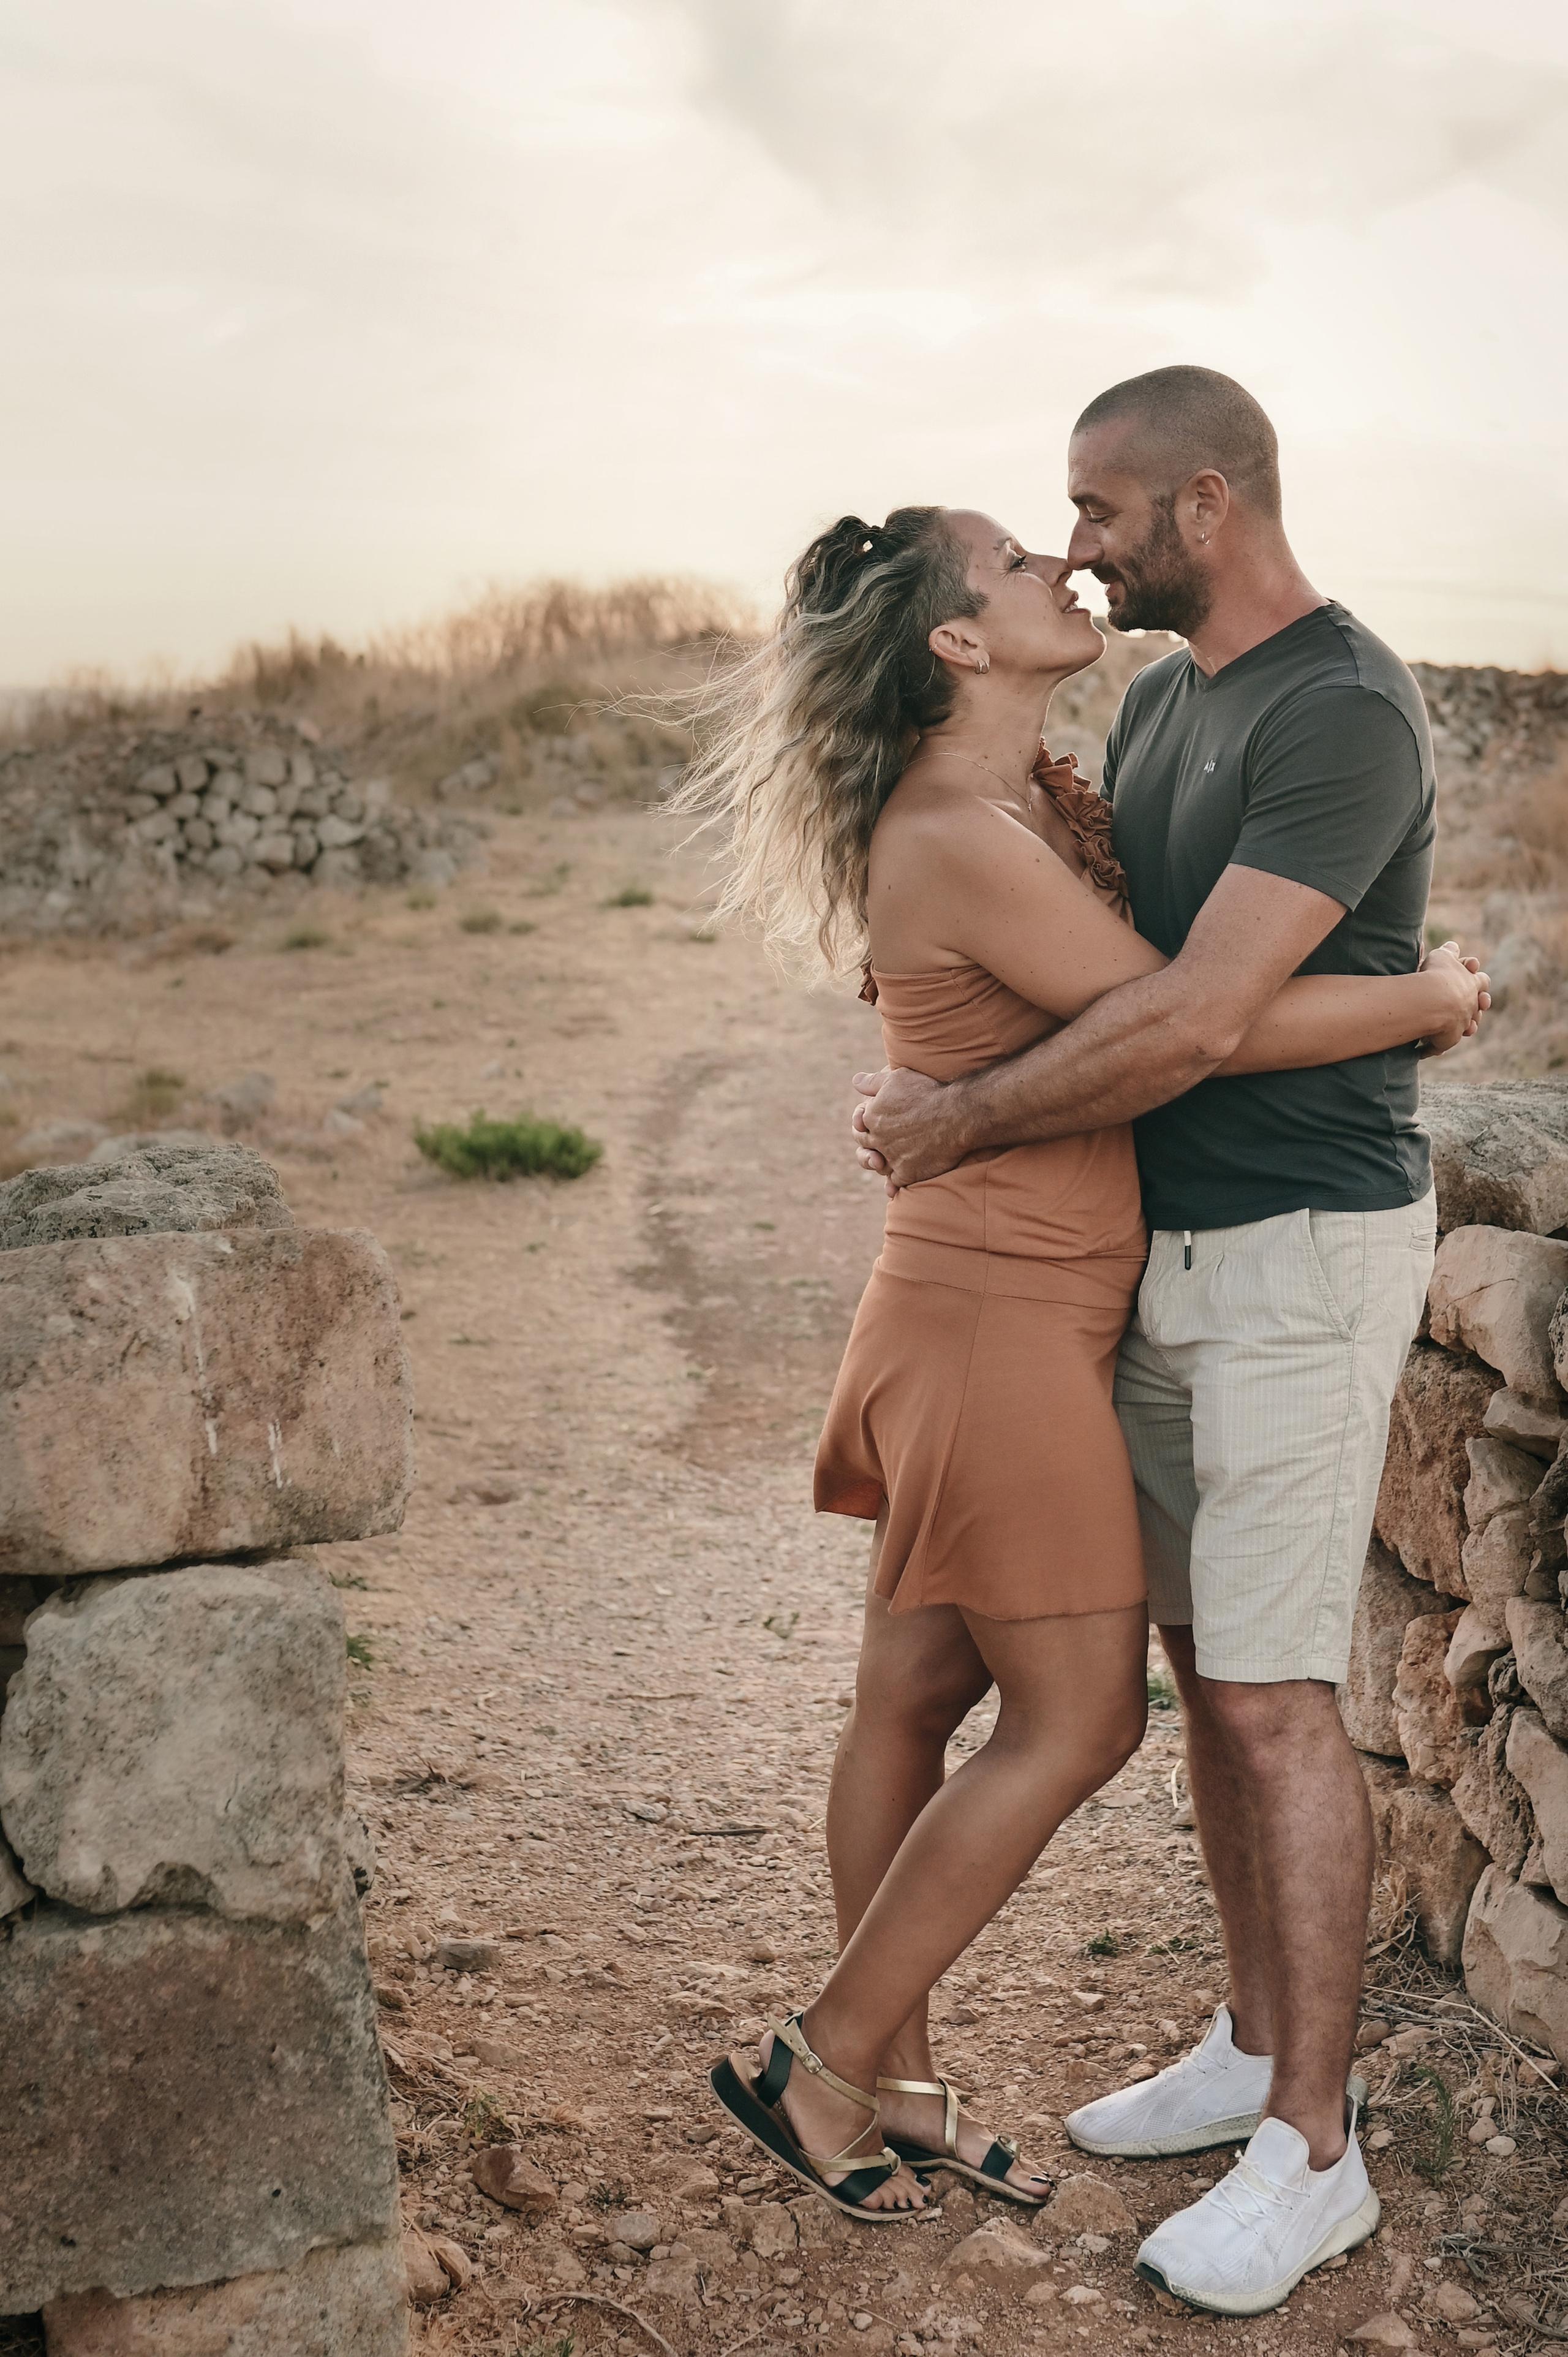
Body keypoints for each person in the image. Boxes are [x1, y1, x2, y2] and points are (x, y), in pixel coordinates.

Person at [674, 483, 1484, 2236]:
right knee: (1085, 1715)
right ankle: (822, 2066)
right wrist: (1430, 998)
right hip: (1002, 1323)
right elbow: (1199, 1024)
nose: (1066, 562)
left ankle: (885, 2088)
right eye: (1021, 559)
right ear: (960, 639)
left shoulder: (1012, 798)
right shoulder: (964, 831)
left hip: (975, 1305)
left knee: (911, 1700)